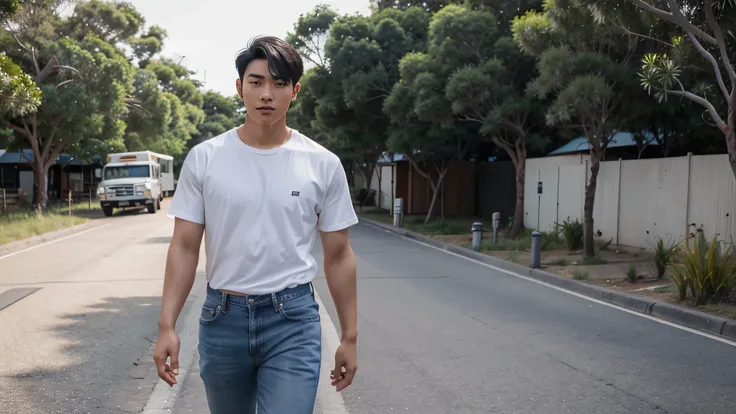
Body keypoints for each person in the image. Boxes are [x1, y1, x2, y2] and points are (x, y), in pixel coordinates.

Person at [152, 35, 359, 414]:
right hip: (222, 318)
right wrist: (167, 325)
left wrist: (349, 336)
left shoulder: (322, 163)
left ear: (294, 91)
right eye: (256, 81)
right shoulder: (205, 159)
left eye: (279, 84)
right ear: (239, 87)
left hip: (293, 320)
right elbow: (183, 246)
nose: (267, 94)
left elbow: (339, 254)